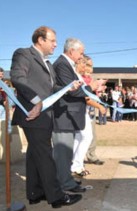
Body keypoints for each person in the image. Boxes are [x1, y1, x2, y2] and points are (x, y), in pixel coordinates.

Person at [9, 26, 82, 208]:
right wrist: (37, 101)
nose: (56, 45)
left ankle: (35, 193)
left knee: (35, 154)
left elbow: (52, 89)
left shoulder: (48, 64)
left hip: (45, 114)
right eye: (52, 41)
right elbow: (18, 78)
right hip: (32, 114)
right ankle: (56, 197)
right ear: (40, 40)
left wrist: (68, 88)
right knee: (45, 155)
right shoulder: (24, 54)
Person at [52, 38, 97, 192]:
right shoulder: (62, 65)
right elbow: (72, 91)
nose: (81, 57)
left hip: (68, 114)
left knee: (66, 152)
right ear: (72, 51)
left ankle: (66, 180)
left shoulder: (65, 64)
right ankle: (64, 184)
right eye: (81, 53)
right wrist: (91, 86)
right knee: (63, 152)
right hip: (64, 114)